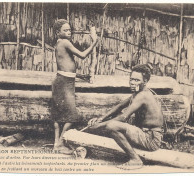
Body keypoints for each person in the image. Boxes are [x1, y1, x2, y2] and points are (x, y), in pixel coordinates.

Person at [88, 64, 163, 170]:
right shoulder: (137, 93)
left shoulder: (143, 95)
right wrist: (101, 118)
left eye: (137, 80)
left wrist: (98, 125)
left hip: (151, 139)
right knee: (112, 121)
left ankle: (135, 159)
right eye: (131, 79)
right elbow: (119, 106)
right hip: (144, 134)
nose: (132, 82)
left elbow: (124, 117)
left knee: (112, 125)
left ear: (145, 82)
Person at [51, 19, 98, 154]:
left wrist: (79, 76)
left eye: (69, 30)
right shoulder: (65, 42)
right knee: (72, 116)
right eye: (65, 30)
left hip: (62, 79)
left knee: (57, 114)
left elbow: (64, 66)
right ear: (57, 32)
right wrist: (94, 43)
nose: (69, 32)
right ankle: (60, 144)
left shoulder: (59, 43)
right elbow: (83, 55)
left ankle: (56, 144)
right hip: (65, 82)